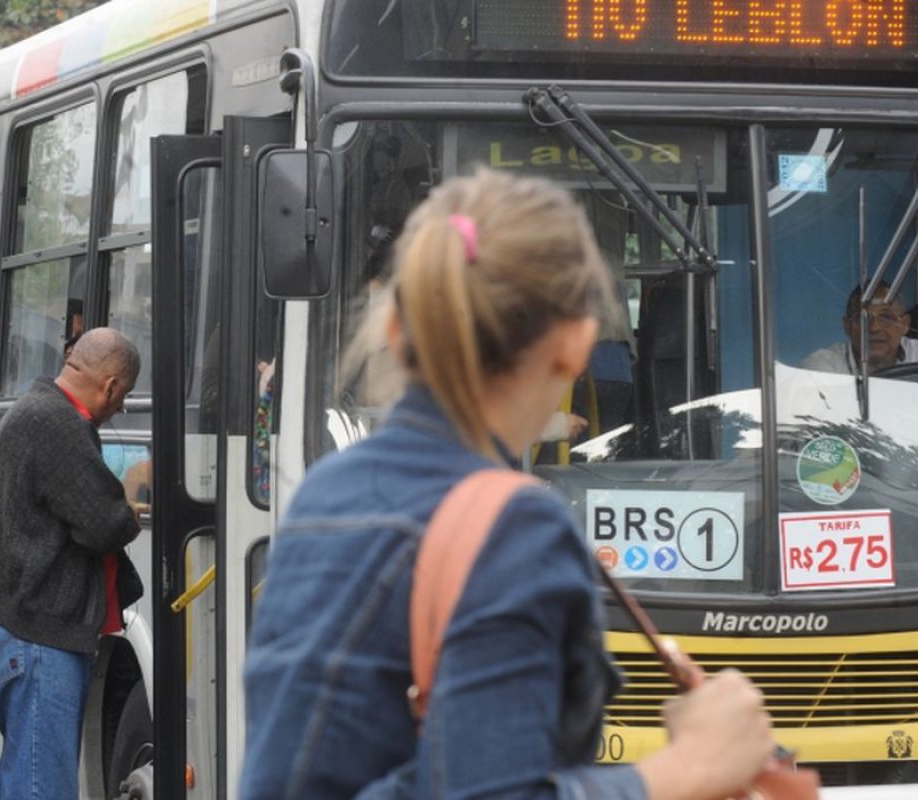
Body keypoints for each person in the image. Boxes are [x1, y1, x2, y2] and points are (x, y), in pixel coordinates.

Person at [241, 171, 774, 799]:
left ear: (393, 330)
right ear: (575, 345)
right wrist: (692, 768)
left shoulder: (327, 492)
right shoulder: (514, 528)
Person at [0, 328, 143, 800]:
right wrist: (132, 508)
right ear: (111, 386)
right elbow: (105, 523)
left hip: (23, 636)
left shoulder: (37, 409)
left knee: (23, 782)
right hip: (40, 644)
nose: (118, 409)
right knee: (40, 789)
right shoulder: (56, 422)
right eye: (124, 397)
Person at [800, 282, 918, 375]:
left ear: (904, 325)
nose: (874, 327)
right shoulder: (821, 369)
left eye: (886, 318)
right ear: (847, 326)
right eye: (862, 318)